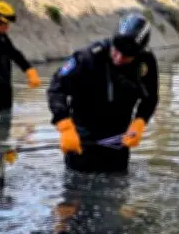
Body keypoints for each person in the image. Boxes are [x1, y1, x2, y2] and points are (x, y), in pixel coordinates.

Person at [46, 12, 160, 173]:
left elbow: (150, 98)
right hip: (81, 140)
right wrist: (64, 125)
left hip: (118, 142)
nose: (119, 58)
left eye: (126, 57)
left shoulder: (145, 63)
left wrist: (140, 122)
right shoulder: (88, 57)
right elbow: (56, 88)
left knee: (116, 190)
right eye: (116, 51)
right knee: (76, 190)